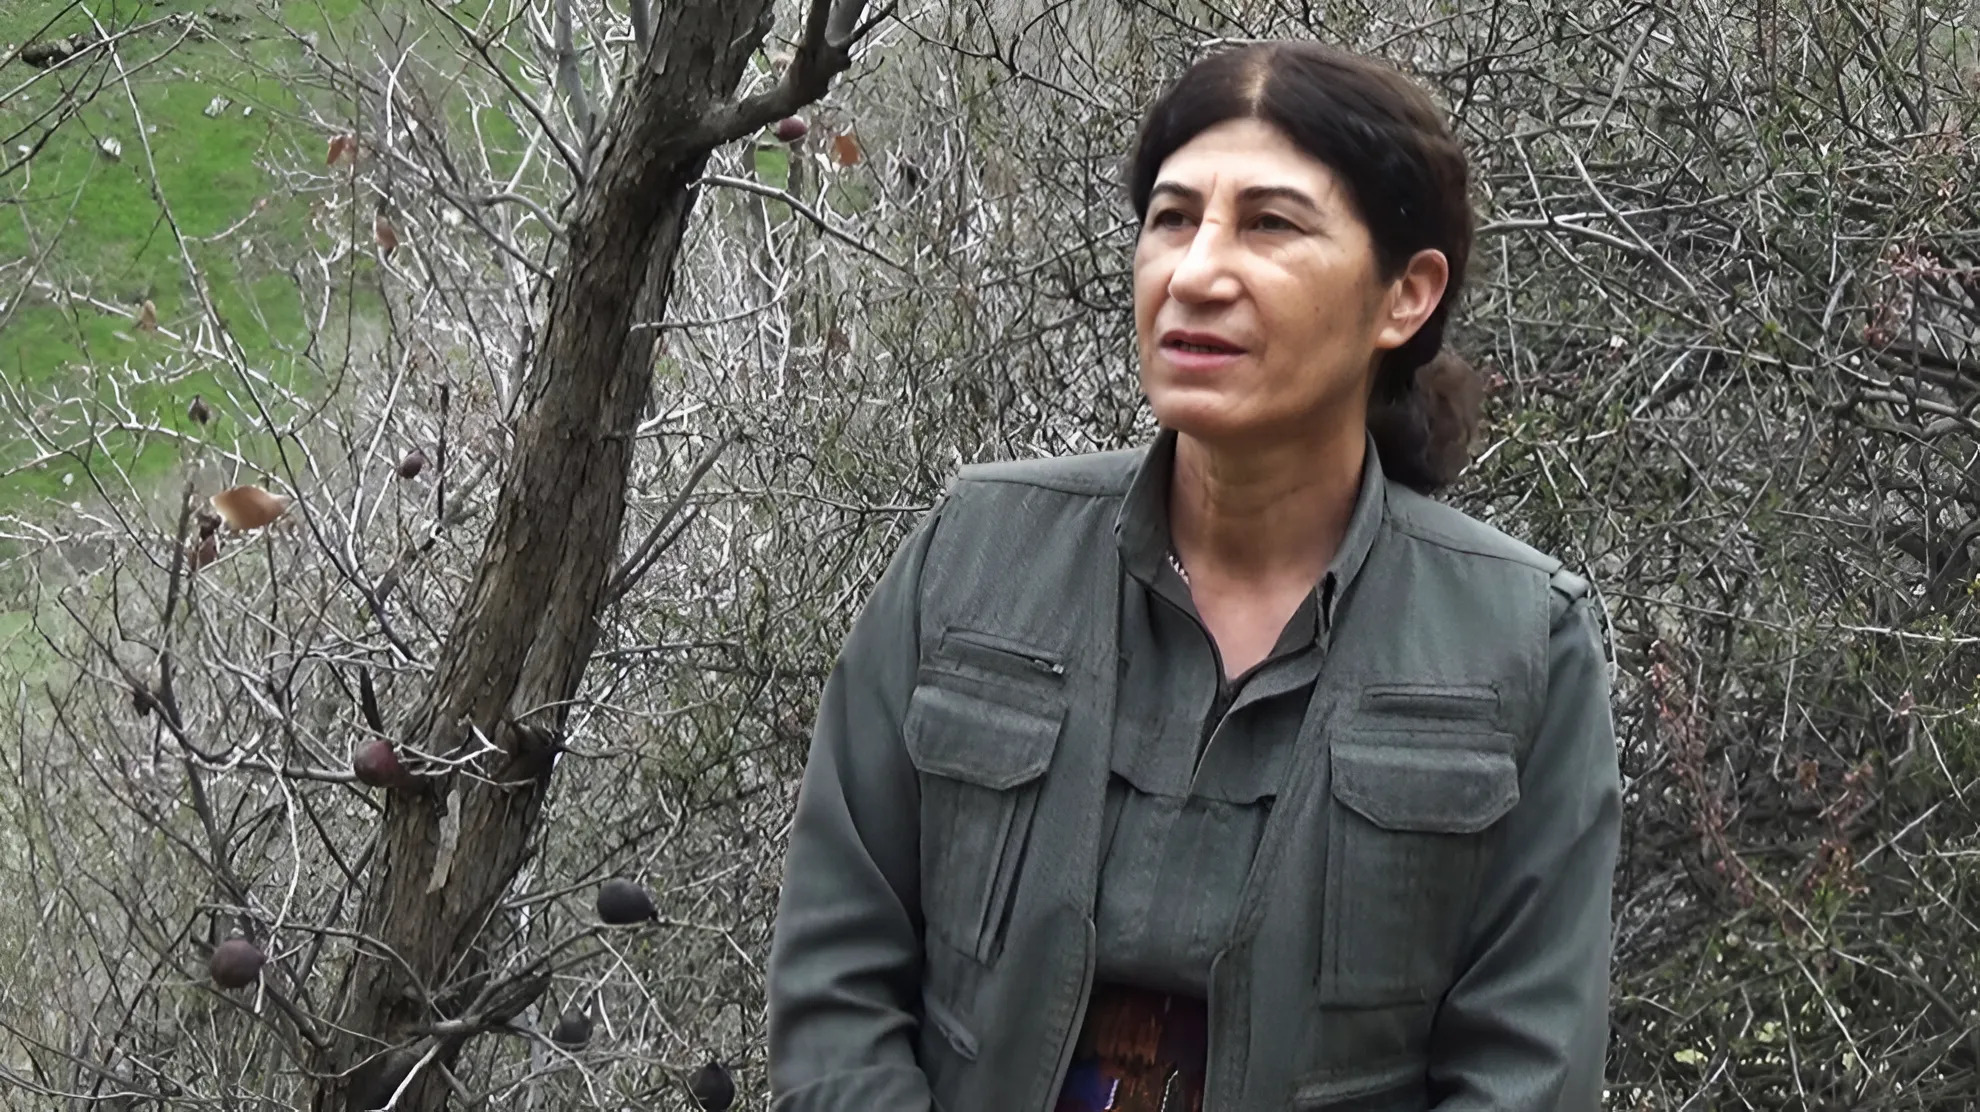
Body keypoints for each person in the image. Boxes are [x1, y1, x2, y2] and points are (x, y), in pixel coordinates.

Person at [766, 38, 1622, 1112]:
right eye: (1173, 219)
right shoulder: (976, 554)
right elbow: (838, 977)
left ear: (1404, 296)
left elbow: (1526, 1071)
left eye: (1270, 225)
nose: (1196, 273)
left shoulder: (1520, 641)